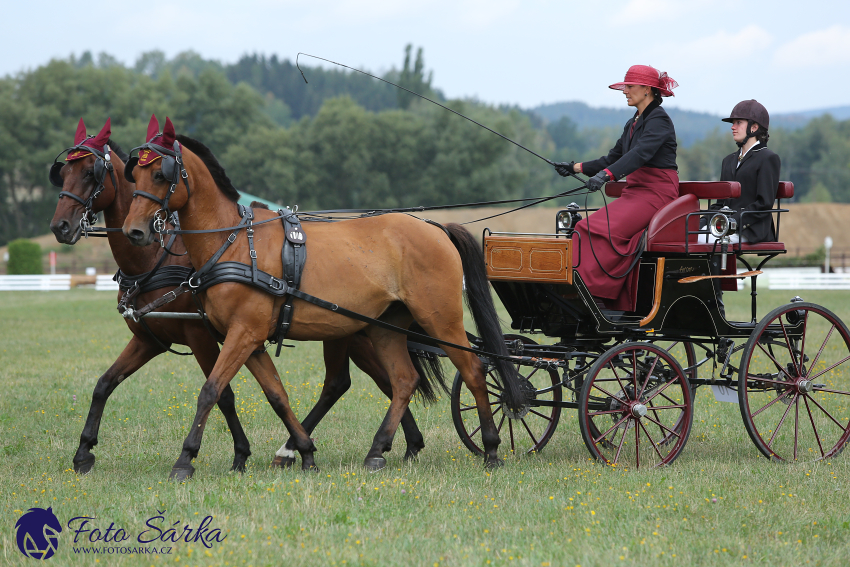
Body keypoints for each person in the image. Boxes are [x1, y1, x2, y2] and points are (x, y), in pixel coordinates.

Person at [554, 65, 679, 311]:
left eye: (630, 87)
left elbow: (640, 154)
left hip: (657, 193)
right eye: (625, 87)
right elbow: (613, 157)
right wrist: (575, 167)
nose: (625, 91)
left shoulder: (660, 120)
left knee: (598, 227)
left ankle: (596, 292)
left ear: (647, 90)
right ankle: (580, 288)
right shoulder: (633, 122)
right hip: (635, 192)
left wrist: (607, 176)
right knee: (582, 227)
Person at [702, 100, 781, 244]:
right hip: (725, 225)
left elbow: (764, 203)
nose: (733, 127)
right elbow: (721, 203)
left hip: (751, 229)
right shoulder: (728, 160)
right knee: (689, 236)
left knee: (703, 240)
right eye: (733, 123)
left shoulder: (768, 158)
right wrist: (701, 221)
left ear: (754, 127)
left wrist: (733, 221)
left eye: (738, 122)